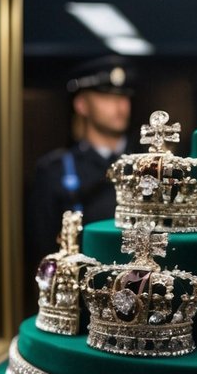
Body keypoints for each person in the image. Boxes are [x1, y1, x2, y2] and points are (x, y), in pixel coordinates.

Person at [26, 55, 135, 266]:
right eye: (106, 97)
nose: (120, 105)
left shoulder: (147, 167)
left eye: (124, 97)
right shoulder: (54, 171)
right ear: (82, 105)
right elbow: (44, 251)